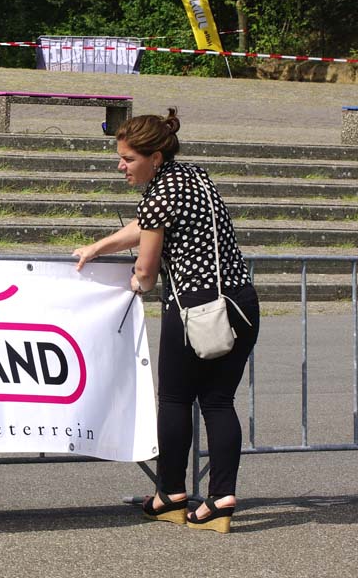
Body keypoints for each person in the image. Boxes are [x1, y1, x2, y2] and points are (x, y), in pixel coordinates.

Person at [73, 108, 259, 533]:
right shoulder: (193, 177)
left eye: (128, 159)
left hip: (196, 308)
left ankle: (170, 494)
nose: (121, 166)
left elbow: (146, 268)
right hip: (241, 303)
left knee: (175, 400)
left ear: (155, 157)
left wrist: (134, 283)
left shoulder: (159, 195)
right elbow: (146, 225)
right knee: (219, 402)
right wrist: (98, 248)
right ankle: (221, 499)